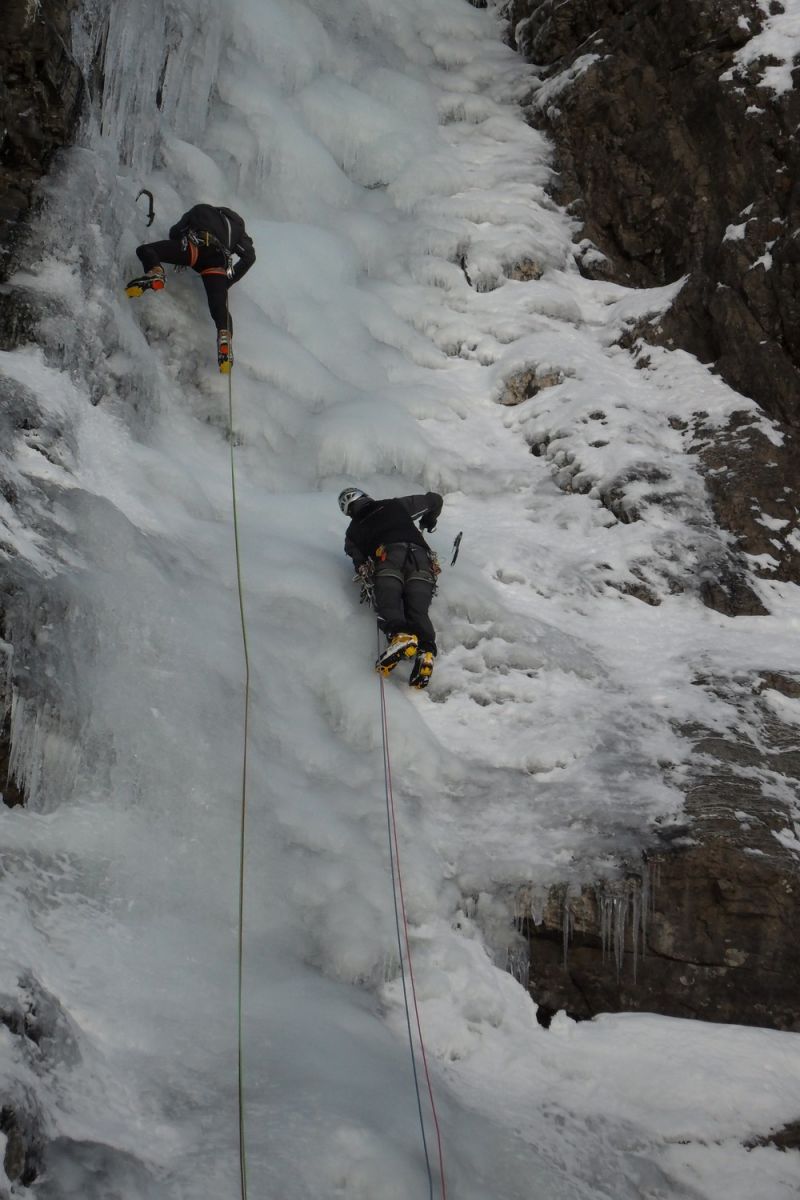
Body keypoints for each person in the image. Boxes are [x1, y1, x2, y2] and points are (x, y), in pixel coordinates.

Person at [125, 203, 256, 373]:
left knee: (146, 250)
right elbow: (249, 257)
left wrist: (179, 254)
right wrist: (227, 282)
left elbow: (175, 231)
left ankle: (156, 271)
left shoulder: (201, 209)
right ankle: (224, 337)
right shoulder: (237, 228)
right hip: (216, 262)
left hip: (195, 249)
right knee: (219, 307)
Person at [339, 486, 443, 689]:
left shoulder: (352, 533)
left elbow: (360, 565)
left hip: (387, 559)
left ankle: (400, 635)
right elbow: (435, 500)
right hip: (422, 560)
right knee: (418, 610)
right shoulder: (396, 505)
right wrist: (428, 520)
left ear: (348, 511)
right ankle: (426, 652)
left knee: (389, 602)